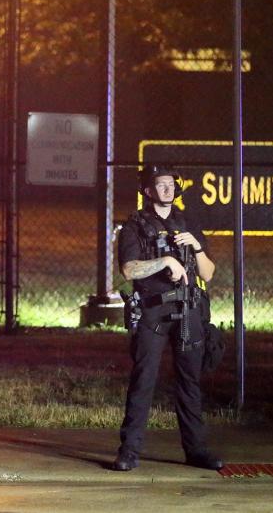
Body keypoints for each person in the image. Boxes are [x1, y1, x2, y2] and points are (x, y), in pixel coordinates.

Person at [112, 164, 223, 472]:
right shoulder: (135, 226)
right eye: (160, 185)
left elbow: (209, 273)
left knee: (190, 383)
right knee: (143, 381)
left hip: (188, 313)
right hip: (153, 312)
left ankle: (196, 451)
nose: (167, 189)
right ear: (148, 190)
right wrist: (164, 261)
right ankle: (129, 452)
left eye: (171, 184)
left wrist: (196, 248)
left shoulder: (186, 224)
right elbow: (128, 270)